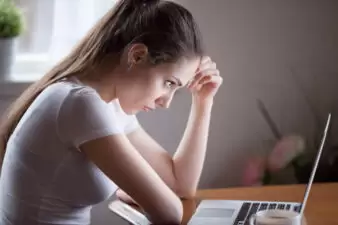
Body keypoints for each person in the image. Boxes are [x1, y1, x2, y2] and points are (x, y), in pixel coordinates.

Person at [0, 0, 222, 224]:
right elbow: (170, 214)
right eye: (169, 83)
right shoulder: (80, 104)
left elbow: (180, 185)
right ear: (136, 56)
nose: (165, 102)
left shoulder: (109, 105)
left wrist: (203, 101)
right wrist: (142, 192)